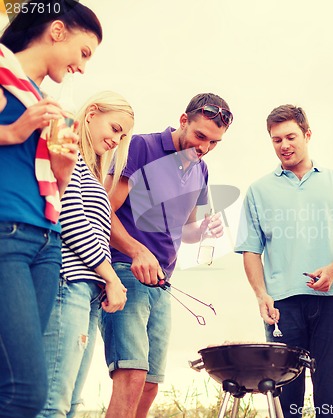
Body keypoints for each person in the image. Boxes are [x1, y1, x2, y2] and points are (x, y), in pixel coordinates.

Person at [99, 93, 233, 418]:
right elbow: (102, 208)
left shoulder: (201, 171)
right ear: (183, 121)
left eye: (214, 142)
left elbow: (187, 231)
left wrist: (205, 230)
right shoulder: (141, 147)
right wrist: (136, 250)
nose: (203, 147)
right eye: (200, 136)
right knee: (131, 374)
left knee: (150, 384)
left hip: (162, 285)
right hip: (124, 272)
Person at [0, 1, 102, 417]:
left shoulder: (44, 98)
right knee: (26, 391)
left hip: (47, 242)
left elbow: (51, 185)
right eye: (84, 52)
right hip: (7, 236)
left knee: (19, 386)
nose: (82, 67)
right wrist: (13, 130)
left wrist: (62, 168)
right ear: (57, 31)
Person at [235, 105, 333, 417]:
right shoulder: (258, 191)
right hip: (282, 307)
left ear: (307, 135)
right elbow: (251, 250)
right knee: (285, 402)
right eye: (276, 140)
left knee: (332, 399)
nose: (284, 145)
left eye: (290, 137)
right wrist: (262, 295)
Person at [39, 91, 133, 418]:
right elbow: (72, 222)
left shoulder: (91, 172)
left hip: (88, 291)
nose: (116, 140)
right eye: (115, 128)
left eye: (122, 136)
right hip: (69, 284)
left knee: (72, 403)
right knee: (54, 400)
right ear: (92, 113)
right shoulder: (72, 158)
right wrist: (111, 277)